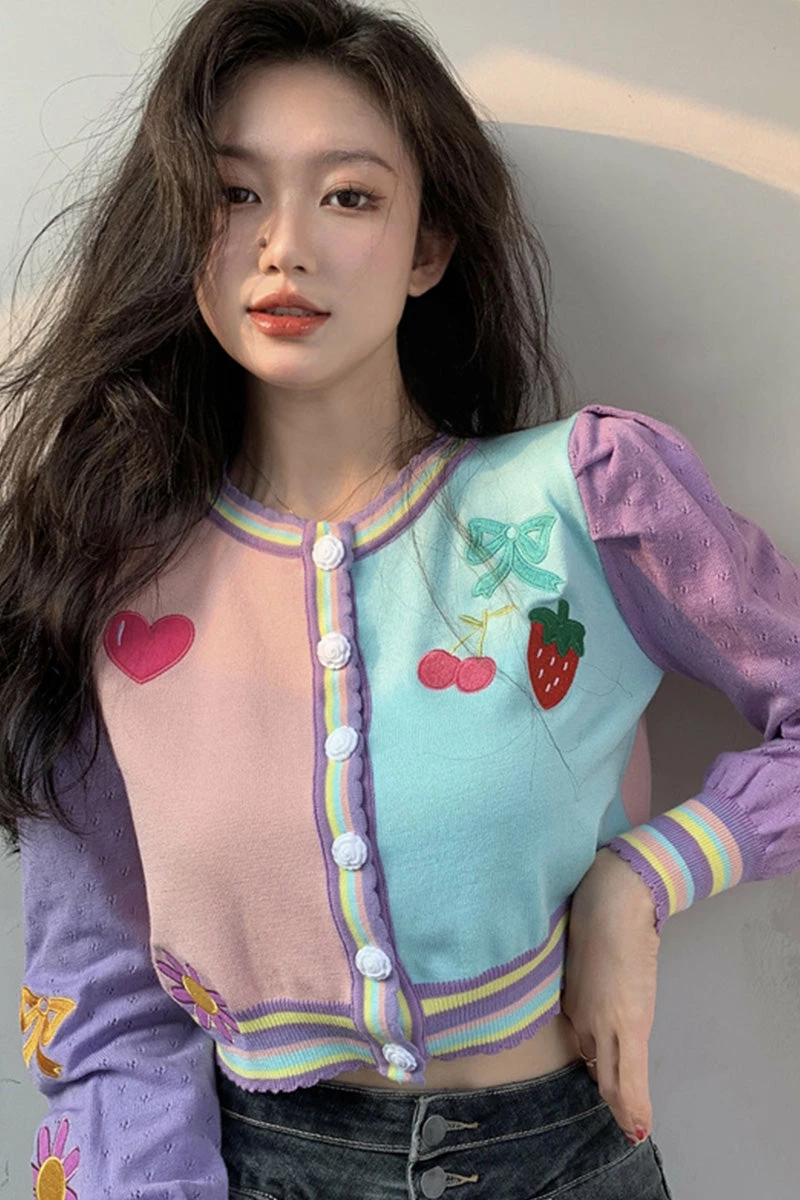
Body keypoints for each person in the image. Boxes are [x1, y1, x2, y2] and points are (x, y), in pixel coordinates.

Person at [2, 1, 798, 1196]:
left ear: (427, 249)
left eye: (348, 196)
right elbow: (103, 1004)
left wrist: (644, 878)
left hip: (563, 1159)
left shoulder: (583, 499)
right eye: (233, 193)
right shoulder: (96, 575)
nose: (284, 246)